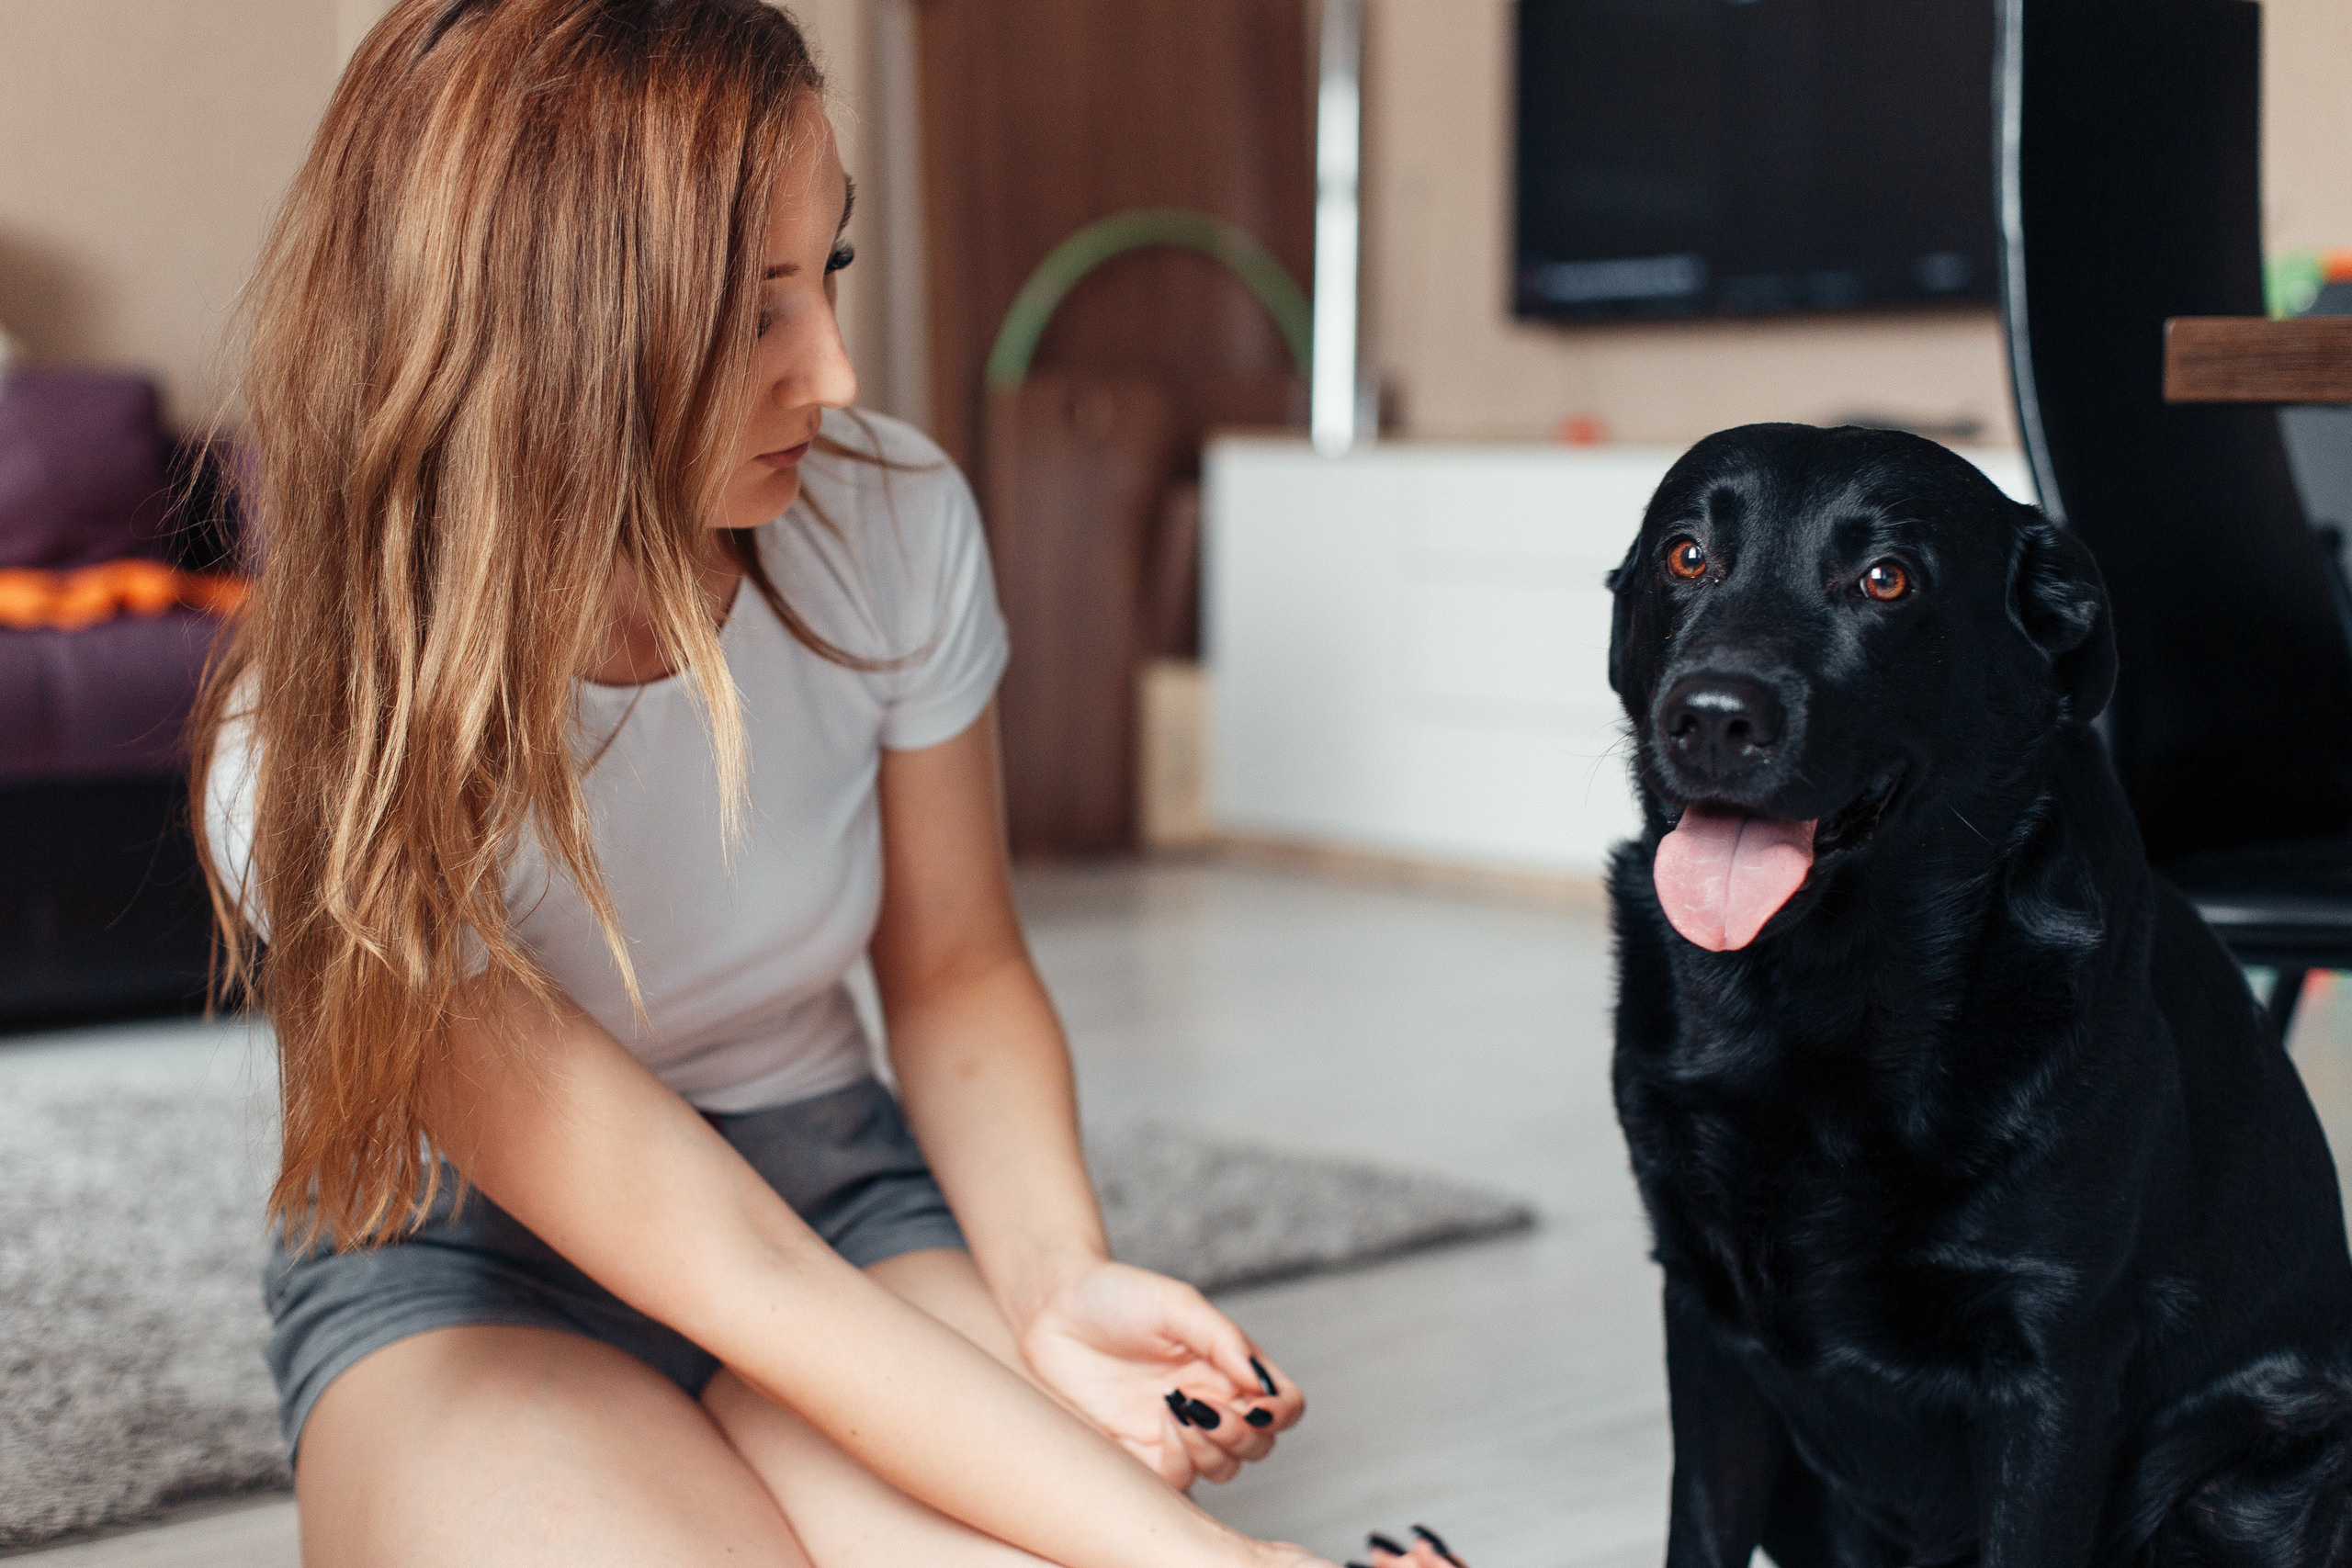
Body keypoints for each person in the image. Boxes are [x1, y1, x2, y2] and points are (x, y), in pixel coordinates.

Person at [192, 5, 1473, 1566]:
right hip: (467, 1265)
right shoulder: (313, 752)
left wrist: (1056, 1277)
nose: (841, 372)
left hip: (837, 1189)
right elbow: (735, 1274)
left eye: (832, 273)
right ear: (530, 330)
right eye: (751, 312)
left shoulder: (889, 522)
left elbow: (956, 964)